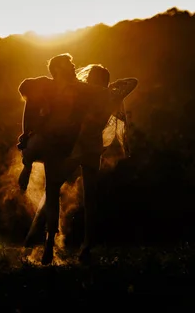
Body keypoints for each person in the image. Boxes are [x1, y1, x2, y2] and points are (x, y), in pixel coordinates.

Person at [22, 63, 138, 264]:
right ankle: (86, 245)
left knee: (53, 188)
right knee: (90, 200)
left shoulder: (86, 94)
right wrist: (110, 88)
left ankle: (48, 240)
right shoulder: (108, 96)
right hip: (93, 150)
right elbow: (132, 82)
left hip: (77, 149)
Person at [17, 53, 104, 264]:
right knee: (52, 188)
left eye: (73, 63)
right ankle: (49, 242)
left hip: (74, 144)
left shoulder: (81, 88)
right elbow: (25, 88)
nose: (74, 66)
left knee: (67, 191)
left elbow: (102, 95)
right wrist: (29, 129)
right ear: (57, 70)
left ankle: (81, 245)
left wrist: (110, 92)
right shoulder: (47, 86)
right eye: (69, 64)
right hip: (57, 143)